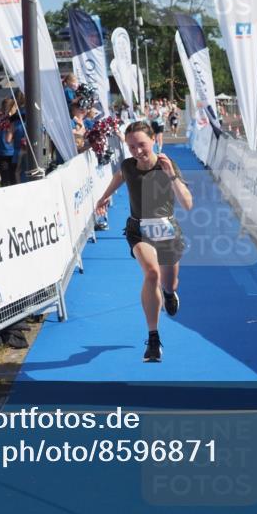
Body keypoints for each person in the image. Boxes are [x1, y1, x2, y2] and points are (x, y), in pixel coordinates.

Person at [94, 122, 193, 363]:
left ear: (153, 141)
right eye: (131, 146)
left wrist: (170, 175)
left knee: (169, 282)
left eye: (142, 145)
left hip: (168, 230)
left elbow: (188, 204)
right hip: (138, 229)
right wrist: (105, 196)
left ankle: (169, 294)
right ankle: (153, 339)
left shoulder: (166, 165)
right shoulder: (129, 165)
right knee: (151, 274)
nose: (137, 151)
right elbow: (121, 175)